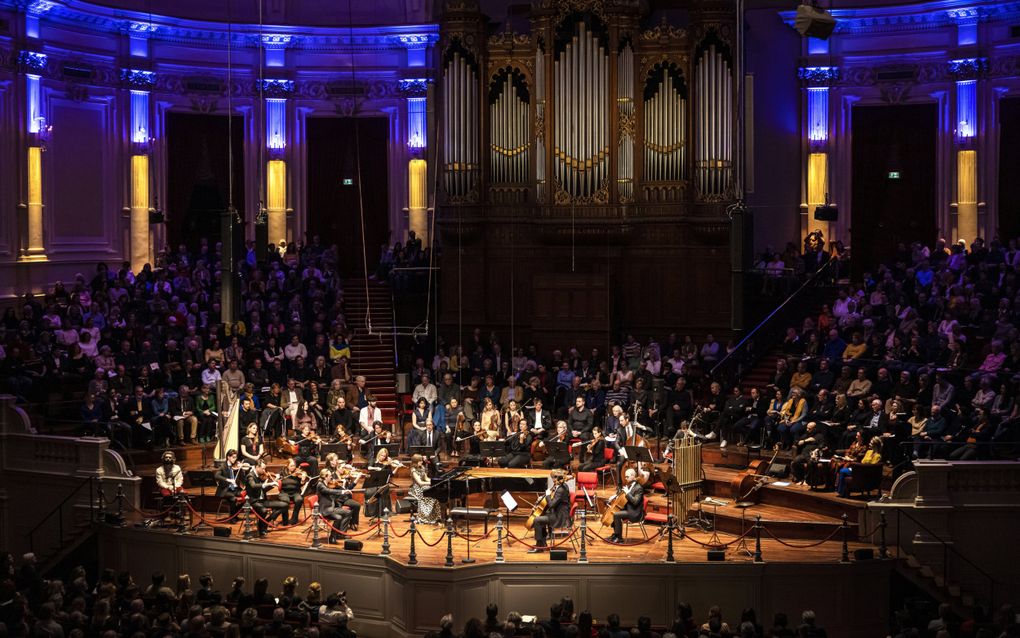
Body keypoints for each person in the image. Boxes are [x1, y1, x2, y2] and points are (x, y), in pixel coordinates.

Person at [528, 470, 571, 553]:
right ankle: (542, 543)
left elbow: (551, 504)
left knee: (537, 520)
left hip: (560, 517)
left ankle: (539, 546)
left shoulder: (561, 490)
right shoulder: (563, 486)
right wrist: (543, 498)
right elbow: (555, 501)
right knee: (542, 515)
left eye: (553, 479)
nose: (553, 481)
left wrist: (547, 495)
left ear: (557, 479)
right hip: (559, 513)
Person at [247, 461, 287, 537]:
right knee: (264, 511)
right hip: (254, 501)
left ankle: (266, 522)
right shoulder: (250, 476)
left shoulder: (259, 475)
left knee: (284, 505)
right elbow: (253, 486)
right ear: (257, 467)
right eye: (263, 468)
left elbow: (263, 487)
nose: (264, 471)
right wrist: (268, 484)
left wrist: (272, 482)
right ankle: (261, 528)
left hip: (263, 500)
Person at [607, 468, 645, 544]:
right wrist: (614, 496)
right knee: (615, 511)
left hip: (635, 513)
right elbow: (622, 494)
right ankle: (616, 535)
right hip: (628, 509)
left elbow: (635, 502)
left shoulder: (639, 488)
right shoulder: (630, 485)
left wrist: (628, 493)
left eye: (627, 476)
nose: (625, 478)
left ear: (633, 476)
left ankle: (620, 538)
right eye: (625, 477)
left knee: (616, 515)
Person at [316, 469, 353, 544]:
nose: (331, 477)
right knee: (338, 517)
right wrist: (342, 491)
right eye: (330, 476)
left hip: (331, 507)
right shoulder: (320, 484)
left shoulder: (326, 483)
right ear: (325, 477)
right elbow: (329, 491)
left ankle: (341, 534)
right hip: (325, 510)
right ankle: (332, 537)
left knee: (348, 512)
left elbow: (331, 493)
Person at [408, 454, 442, 524]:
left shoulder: (422, 467)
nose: (422, 462)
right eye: (420, 461)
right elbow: (420, 483)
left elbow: (426, 478)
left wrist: (433, 481)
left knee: (434, 493)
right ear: (415, 461)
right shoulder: (413, 470)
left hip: (423, 486)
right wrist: (430, 483)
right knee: (429, 494)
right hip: (416, 488)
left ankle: (435, 516)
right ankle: (424, 517)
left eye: (421, 460)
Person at [214, 449, 246, 515]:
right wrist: (228, 480)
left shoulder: (236, 466)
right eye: (233, 457)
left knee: (247, 497)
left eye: (236, 457)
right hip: (225, 490)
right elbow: (216, 476)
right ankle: (232, 518)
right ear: (228, 457)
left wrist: (241, 469)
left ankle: (234, 515)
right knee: (233, 498)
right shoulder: (223, 466)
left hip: (235, 489)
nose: (235, 459)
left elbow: (243, 479)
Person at [277, 458, 308, 525]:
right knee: (285, 502)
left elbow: (301, 484)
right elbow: (278, 477)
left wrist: (302, 480)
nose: (293, 467)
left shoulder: (298, 473)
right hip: (284, 492)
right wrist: (277, 477)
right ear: (287, 466)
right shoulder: (282, 472)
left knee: (299, 500)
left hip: (295, 492)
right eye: (291, 466)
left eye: (294, 465)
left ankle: (294, 519)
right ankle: (285, 520)